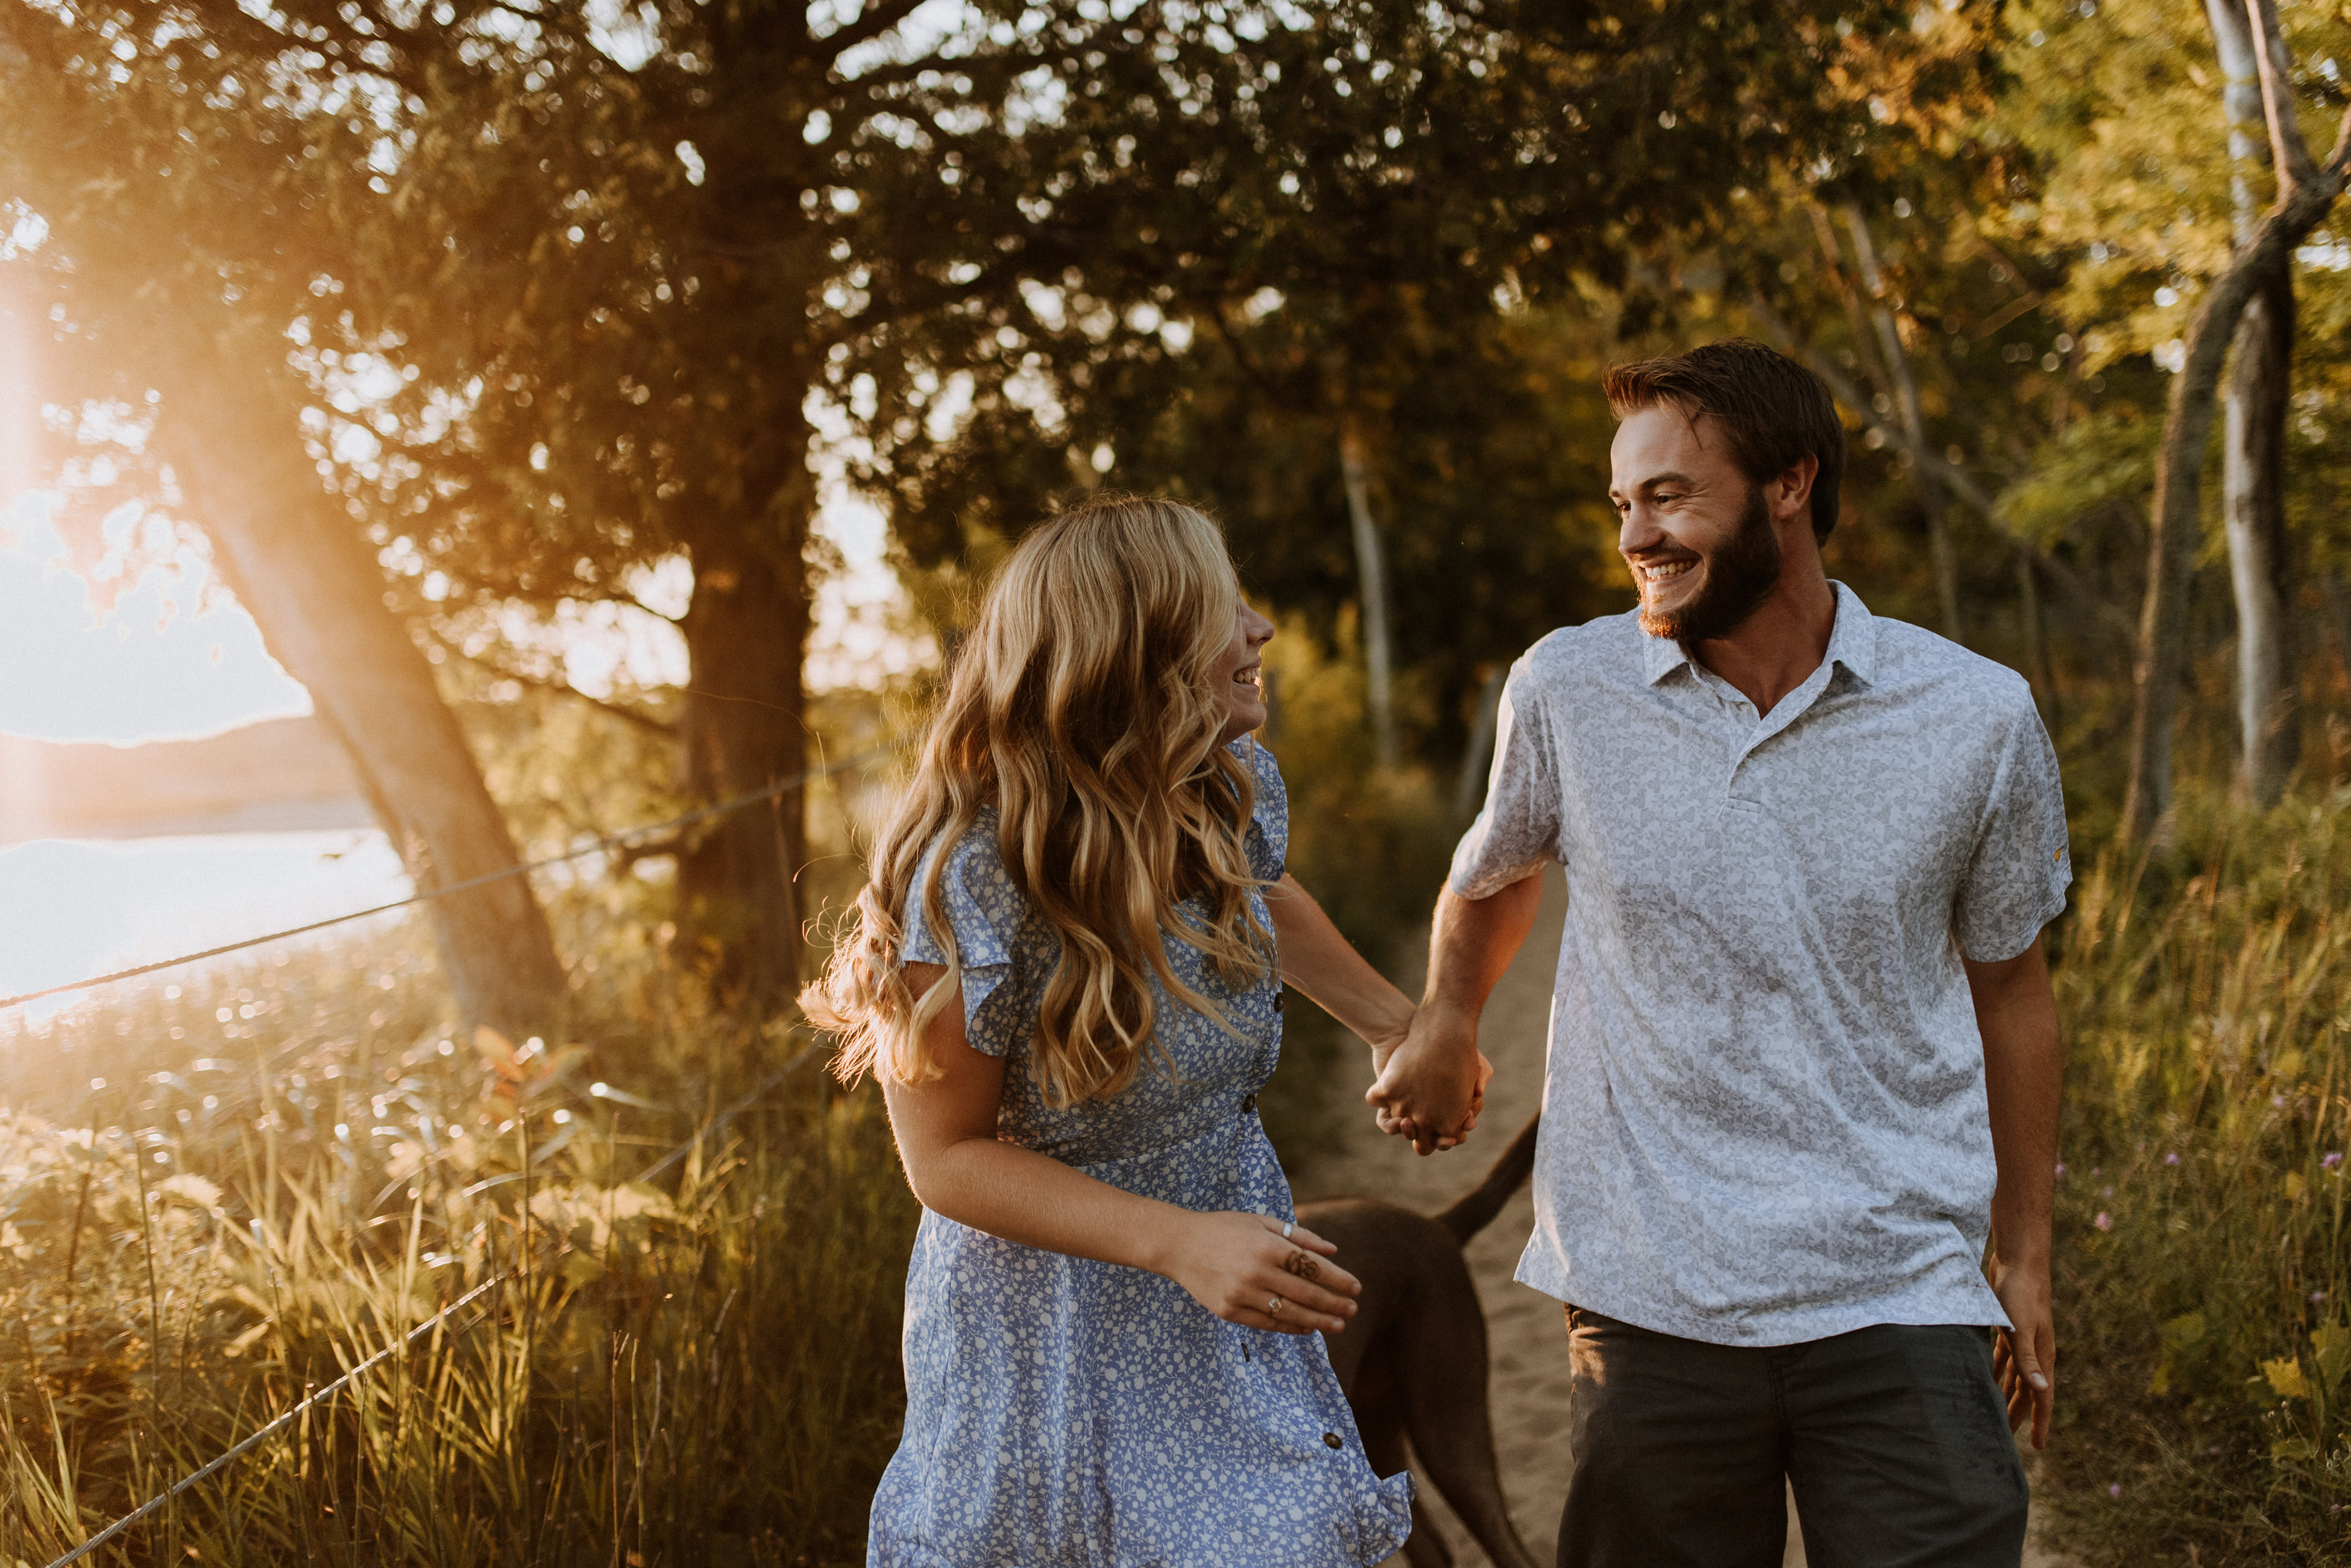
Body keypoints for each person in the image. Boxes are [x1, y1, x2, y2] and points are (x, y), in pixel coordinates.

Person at [1368, 340, 2068, 1568]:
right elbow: (1496, 869)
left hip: (1900, 1280)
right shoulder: (1568, 687)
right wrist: (1448, 1016)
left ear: (1790, 484)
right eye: (1623, 503)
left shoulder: (1976, 714)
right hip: (1653, 1295)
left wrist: (2027, 1256)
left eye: (1669, 496)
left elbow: (2012, 990)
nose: (1635, 535)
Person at [805, 496, 1423, 1567]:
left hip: (1216, 1285)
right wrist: (1178, 1241)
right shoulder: (968, 875)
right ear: (1135, 650)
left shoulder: (1216, 789)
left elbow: (1255, 895)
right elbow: (943, 1158)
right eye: (1224, 606)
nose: (1262, 627)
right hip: (1050, 1331)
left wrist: (1395, 1024)